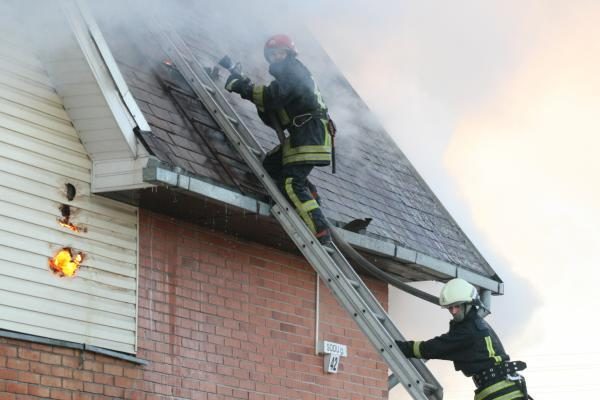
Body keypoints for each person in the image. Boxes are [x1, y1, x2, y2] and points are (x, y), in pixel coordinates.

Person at [224, 34, 334, 245]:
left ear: (289, 54)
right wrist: (252, 93)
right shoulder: (288, 76)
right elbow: (274, 113)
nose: (276, 57)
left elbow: (271, 96)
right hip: (302, 135)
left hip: (309, 136)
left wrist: (242, 88)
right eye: (272, 54)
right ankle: (311, 196)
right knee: (271, 166)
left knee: (291, 183)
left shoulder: (293, 71)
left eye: (280, 53)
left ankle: (320, 231)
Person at [396, 278, 532, 400]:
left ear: (469, 304)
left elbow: (436, 347)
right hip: (500, 388)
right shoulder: (477, 324)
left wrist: (404, 348)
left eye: (457, 306)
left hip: (499, 393)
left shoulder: (469, 330)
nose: (453, 311)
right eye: (450, 307)